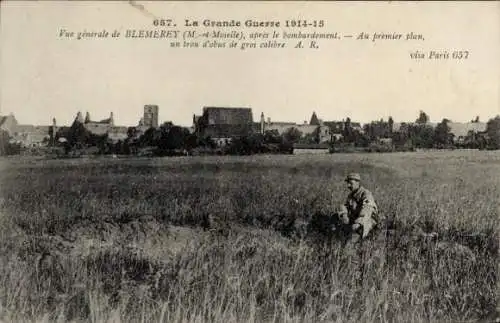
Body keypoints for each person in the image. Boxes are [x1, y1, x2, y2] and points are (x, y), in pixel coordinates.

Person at [333, 173, 380, 246]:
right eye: (348, 183)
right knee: (335, 218)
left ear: (357, 182)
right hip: (356, 218)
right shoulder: (351, 195)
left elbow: (367, 209)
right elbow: (345, 206)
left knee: (350, 241)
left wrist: (358, 223)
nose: (348, 186)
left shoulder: (366, 194)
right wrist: (344, 214)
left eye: (350, 183)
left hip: (367, 220)